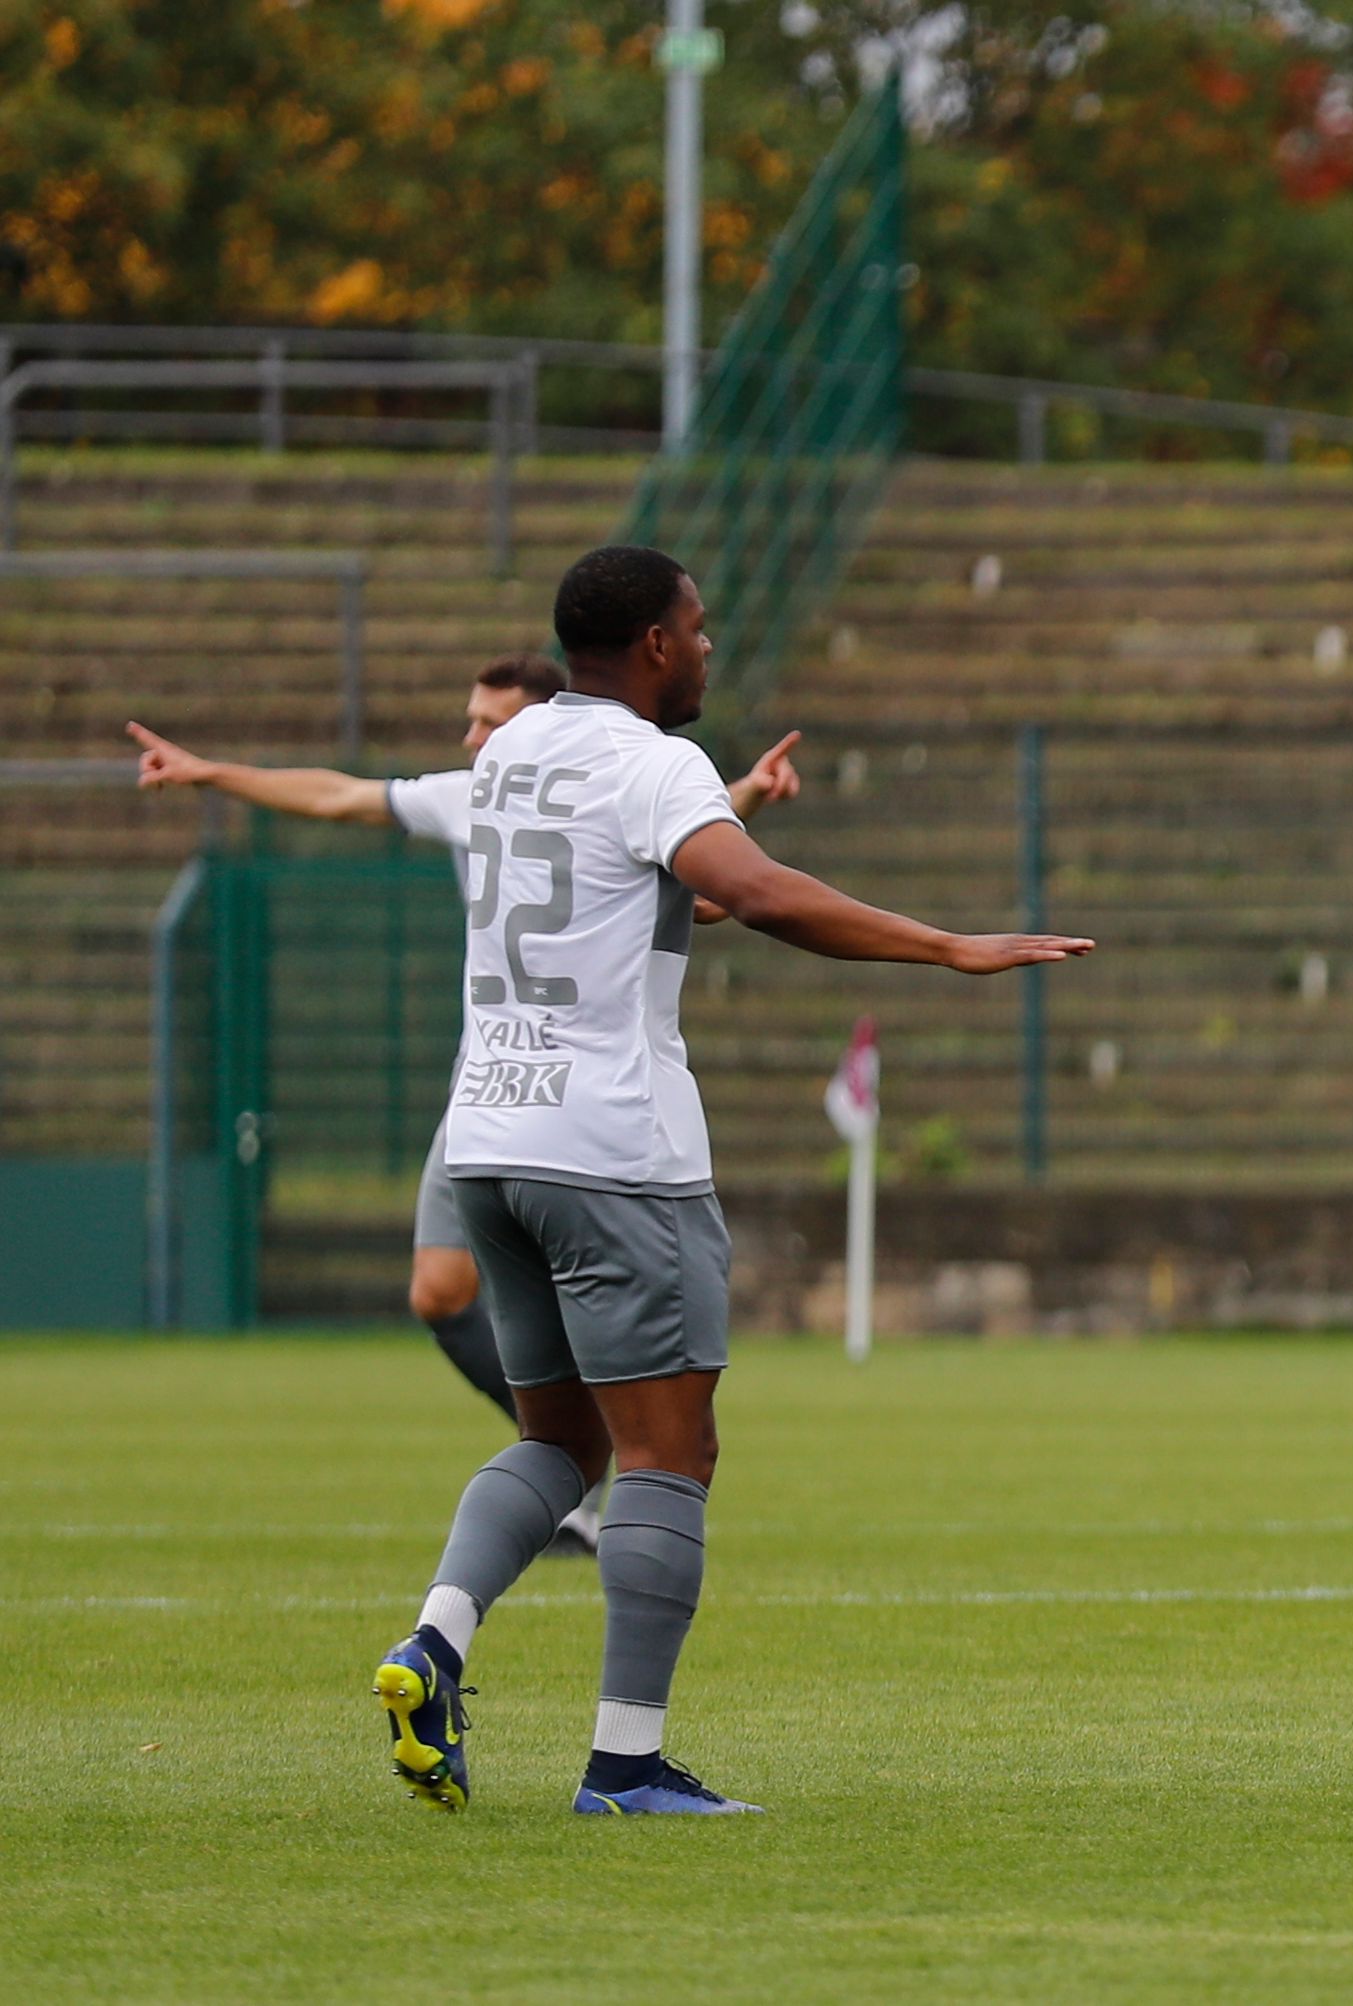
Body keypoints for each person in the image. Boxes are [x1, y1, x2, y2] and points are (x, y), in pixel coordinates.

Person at [360, 544, 1091, 1816]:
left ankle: (434, 1638)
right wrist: (948, 945)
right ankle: (626, 1765)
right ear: (652, 644)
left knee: (559, 1438)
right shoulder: (654, 763)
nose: (708, 648)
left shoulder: (510, 754)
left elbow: (631, 895)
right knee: (665, 1452)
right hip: (614, 1155)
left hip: (489, 1138)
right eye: (698, 629)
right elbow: (748, 892)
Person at [127, 662, 804, 1556]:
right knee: (440, 1289)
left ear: (542, 727)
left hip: (586, 1095)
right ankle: (572, 1456)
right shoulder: (473, 793)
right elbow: (338, 796)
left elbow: (692, 870)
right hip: (491, 1082)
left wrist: (746, 794)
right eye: (471, 721)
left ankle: (583, 1463)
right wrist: (210, 772)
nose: (472, 740)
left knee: (570, 1304)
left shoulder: (593, 776)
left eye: (489, 722)